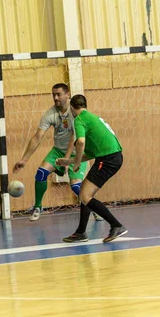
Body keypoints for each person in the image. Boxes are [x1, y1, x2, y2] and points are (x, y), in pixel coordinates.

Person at [13, 83, 102, 222]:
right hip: (57, 151)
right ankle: (38, 207)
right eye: (53, 94)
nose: (55, 97)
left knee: (75, 186)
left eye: (58, 94)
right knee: (41, 173)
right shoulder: (50, 114)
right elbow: (38, 137)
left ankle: (95, 209)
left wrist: (67, 160)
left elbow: (74, 137)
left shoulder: (75, 112)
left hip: (76, 153)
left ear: (68, 95)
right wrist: (24, 159)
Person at [56, 94, 127, 243]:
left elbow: (80, 142)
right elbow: (90, 154)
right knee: (84, 194)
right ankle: (81, 232)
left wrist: (75, 165)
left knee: (85, 195)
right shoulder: (93, 118)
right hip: (111, 157)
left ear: (72, 108)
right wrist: (69, 161)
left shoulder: (79, 120)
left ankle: (116, 225)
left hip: (108, 159)